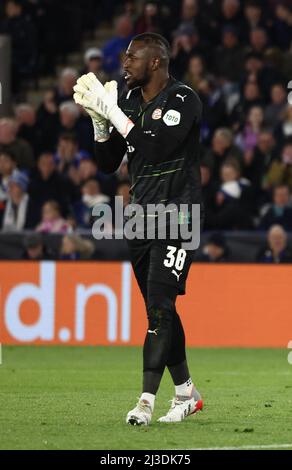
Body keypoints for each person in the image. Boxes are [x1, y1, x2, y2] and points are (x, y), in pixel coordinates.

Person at [73, 32, 203, 425]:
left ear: (156, 62)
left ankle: (145, 402)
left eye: (132, 57)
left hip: (179, 215)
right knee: (158, 307)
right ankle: (187, 394)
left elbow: (157, 146)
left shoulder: (184, 99)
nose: (124, 63)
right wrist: (100, 123)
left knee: (160, 306)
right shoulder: (128, 101)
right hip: (140, 217)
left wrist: (113, 114)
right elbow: (110, 162)